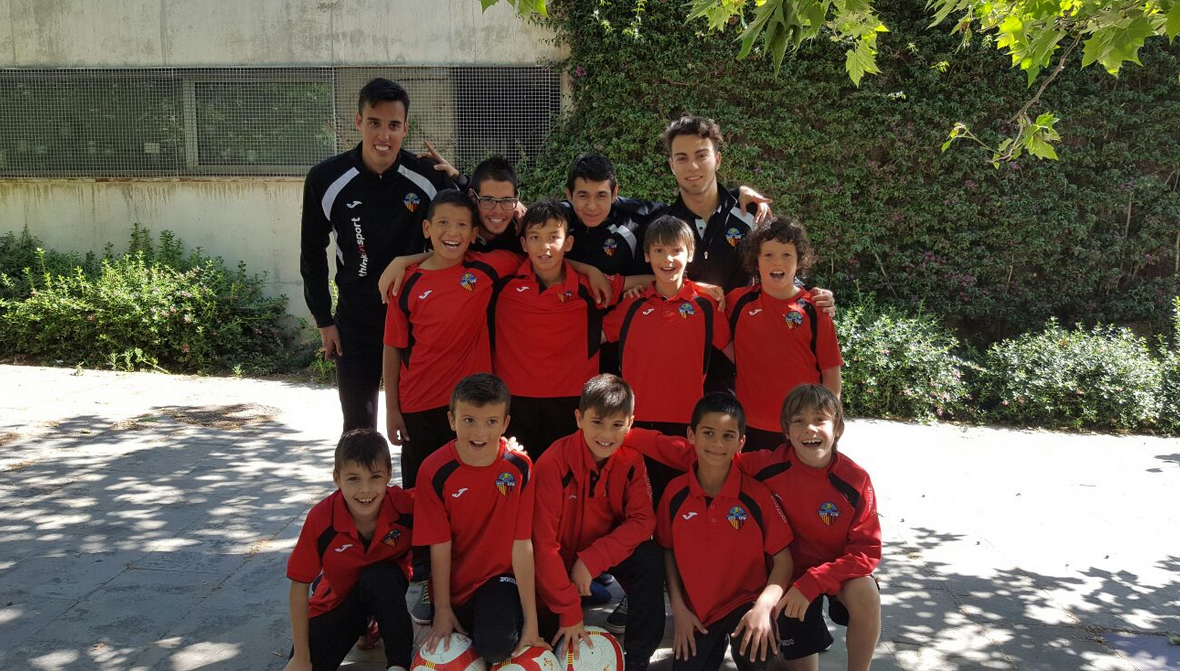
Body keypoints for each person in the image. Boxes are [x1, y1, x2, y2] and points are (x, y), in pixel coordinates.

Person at [628, 386, 882, 671]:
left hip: (832, 574)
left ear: (837, 429)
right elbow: (702, 454)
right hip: (786, 578)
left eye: (820, 420)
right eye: (798, 421)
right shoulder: (765, 465)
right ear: (786, 431)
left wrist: (814, 581)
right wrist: (625, 432)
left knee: (866, 593)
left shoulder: (856, 479)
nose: (809, 428)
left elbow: (868, 551)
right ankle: (786, 650)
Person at [381, 189, 522, 623]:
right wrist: (392, 409)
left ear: (474, 234)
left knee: (472, 493)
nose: (452, 232)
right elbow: (391, 346)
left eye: (462, 225)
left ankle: (473, 572)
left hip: (472, 415)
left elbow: (540, 248)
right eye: (442, 223)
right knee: (427, 496)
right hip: (420, 406)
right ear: (427, 229)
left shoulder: (486, 269)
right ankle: (423, 576)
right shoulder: (408, 282)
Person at [300, 78, 456, 432]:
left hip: (417, 317)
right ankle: (361, 490)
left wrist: (458, 179)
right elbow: (311, 251)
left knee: (419, 423)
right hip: (357, 320)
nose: (383, 135)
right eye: (374, 123)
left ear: (405, 128)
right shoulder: (326, 178)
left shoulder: (427, 178)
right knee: (358, 428)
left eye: (393, 125)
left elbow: (472, 225)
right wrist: (324, 320)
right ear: (359, 122)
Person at [491, 200, 648, 461]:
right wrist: (402, 261)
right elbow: (453, 257)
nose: (545, 246)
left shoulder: (590, 286)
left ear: (568, 243)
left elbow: (651, 281)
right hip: (515, 401)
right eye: (535, 238)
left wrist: (698, 287)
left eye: (554, 237)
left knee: (567, 478)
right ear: (523, 244)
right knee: (517, 479)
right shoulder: (503, 277)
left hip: (572, 401)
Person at [532, 374, 664, 671]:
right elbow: (542, 546)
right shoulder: (552, 464)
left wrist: (593, 560)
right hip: (556, 560)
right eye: (597, 422)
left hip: (599, 555)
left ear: (630, 423)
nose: (607, 434)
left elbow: (643, 521)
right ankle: (579, 594)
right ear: (579, 418)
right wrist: (568, 611)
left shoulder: (632, 460)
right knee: (546, 639)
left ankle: (639, 659)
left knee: (650, 558)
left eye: (617, 425)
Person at [413, 373, 546, 663]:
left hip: (498, 578)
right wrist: (443, 608)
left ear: (505, 424)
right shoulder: (433, 470)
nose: (480, 433)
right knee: (447, 641)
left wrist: (531, 621)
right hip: (455, 583)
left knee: (496, 647)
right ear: (451, 420)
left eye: (491, 422)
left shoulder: (520, 467)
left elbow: (522, 544)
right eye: (469, 420)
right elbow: (439, 545)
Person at [657, 393, 793, 671]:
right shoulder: (674, 494)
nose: (718, 444)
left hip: (746, 603)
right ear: (691, 435)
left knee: (760, 658)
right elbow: (666, 551)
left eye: (728, 436)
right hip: (698, 612)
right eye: (708, 433)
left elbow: (784, 560)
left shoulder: (757, 495)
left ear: (741, 442)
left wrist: (764, 608)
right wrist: (679, 610)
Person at [602, 215, 730, 506]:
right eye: (658, 250)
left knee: (680, 507)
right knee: (637, 506)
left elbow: (742, 355)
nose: (668, 258)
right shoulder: (632, 305)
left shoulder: (708, 305)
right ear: (647, 255)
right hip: (634, 424)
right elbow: (585, 339)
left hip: (686, 424)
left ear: (690, 254)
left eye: (676, 250)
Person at [284, 429, 414, 671]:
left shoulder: (407, 507)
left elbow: (453, 502)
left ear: (389, 475)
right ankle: (368, 622)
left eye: (375, 477)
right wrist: (301, 657)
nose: (365, 490)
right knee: (310, 665)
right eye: (353, 478)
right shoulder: (321, 519)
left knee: (380, 579)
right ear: (336, 478)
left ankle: (398, 664)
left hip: (385, 586)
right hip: (341, 596)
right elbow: (298, 586)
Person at [727, 218, 842, 451]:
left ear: (799, 261)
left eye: (786, 255)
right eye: (768, 255)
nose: (777, 262)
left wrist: (831, 423)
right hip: (749, 426)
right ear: (755, 260)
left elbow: (831, 372)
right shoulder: (736, 301)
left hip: (801, 427)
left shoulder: (815, 308)